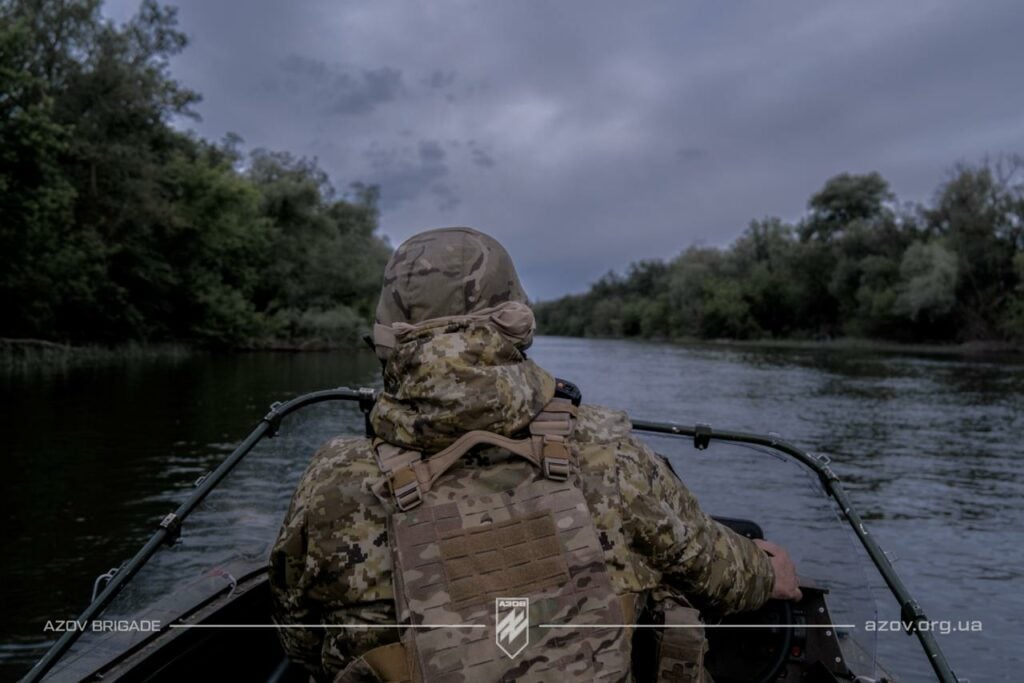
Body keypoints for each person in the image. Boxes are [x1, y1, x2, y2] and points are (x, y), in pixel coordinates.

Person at [269, 227, 801, 682]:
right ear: (516, 316)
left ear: (388, 331)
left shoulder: (332, 481)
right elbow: (719, 576)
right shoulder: (608, 453)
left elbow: (298, 641)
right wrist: (763, 568)